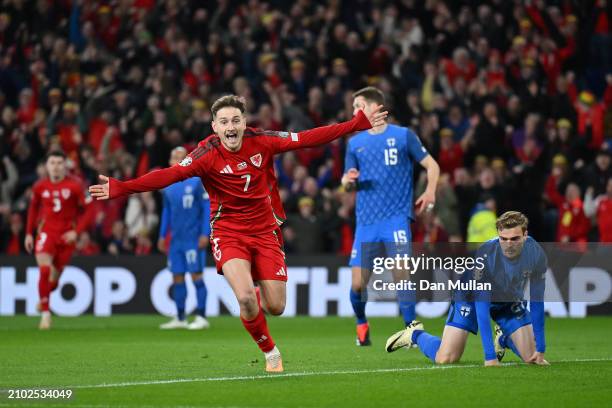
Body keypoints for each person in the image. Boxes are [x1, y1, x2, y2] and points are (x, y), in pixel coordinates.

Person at [89, 95, 387, 372]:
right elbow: (168, 175)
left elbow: (308, 138)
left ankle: (254, 288)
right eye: (224, 122)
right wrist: (123, 187)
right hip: (228, 232)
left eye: (235, 121)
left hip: (265, 231)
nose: (230, 127)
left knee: (276, 307)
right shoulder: (206, 153)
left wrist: (355, 124)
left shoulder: (263, 141)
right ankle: (271, 351)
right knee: (245, 298)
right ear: (215, 127)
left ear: (244, 122)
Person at [341, 87, 439, 346]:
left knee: (402, 274)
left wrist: (430, 191)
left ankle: (410, 329)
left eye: (357, 105)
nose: (353, 112)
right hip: (366, 223)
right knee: (358, 285)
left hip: (396, 218)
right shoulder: (355, 143)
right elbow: (346, 179)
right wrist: (349, 182)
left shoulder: (404, 136)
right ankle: (361, 322)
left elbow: (432, 165)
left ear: (374, 107)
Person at [386, 211, 549, 366]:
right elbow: (482, 308)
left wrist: (541, 349)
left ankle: (504, 339)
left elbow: (537, 301)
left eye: (515, 238)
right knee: (445, 358)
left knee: (532, 358)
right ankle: (415, 333)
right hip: (470, 299)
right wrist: (490, 357)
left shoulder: (536, 254)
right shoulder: (486, 256)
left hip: (508, 301)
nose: (509, 244)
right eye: (503, 239)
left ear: (525, 235)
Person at [25, 151, 95, 330]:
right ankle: (46, 315)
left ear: (65, 165)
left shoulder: (76, 185)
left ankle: (45, 297)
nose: (55, 166)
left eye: (59, 163)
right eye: (52, 163)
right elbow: (33, 209)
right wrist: (28, 233)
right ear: (47, 166)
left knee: (54, 280)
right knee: (44, 270)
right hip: (46, 233)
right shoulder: (40, 186)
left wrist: (76, 233)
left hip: (66, 236)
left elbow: (90, 210)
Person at [157, 146, 211, 330]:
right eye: (175, 156)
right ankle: (180, 318)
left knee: (196, 275)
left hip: (193, 238)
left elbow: (206, 208)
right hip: (176, 240)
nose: (178, 159)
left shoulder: (197, 181)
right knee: (177, 277)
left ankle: (201, 316)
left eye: (182, 156)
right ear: (170, 162)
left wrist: (205, 233)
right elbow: (166, 211)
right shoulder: (168, 185)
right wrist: (162, 235)